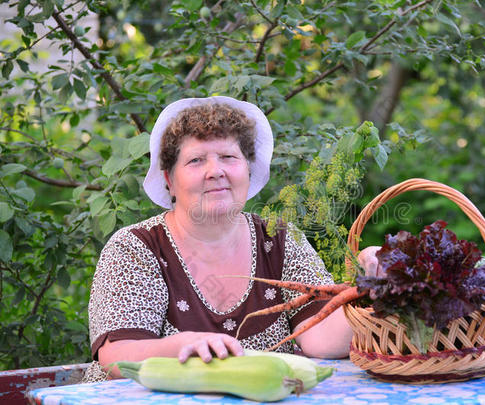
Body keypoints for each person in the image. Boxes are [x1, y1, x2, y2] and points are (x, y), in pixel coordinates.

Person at [83, 96, 380, 382]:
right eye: (196, 160)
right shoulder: (137, 247)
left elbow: (322, 339)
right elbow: (117, 357)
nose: (216, 171)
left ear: (248, 171)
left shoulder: (279, 239)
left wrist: (372, 284)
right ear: (170, 180)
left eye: (228, 157)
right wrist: (183, 345)